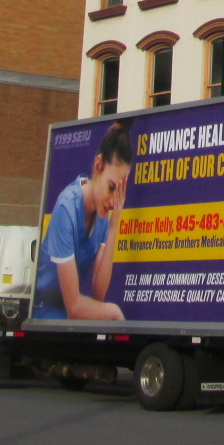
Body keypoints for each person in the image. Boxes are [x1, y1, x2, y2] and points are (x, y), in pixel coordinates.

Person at [34, 121, 130, 319]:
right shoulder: (66, 207)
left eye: (119, 191)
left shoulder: (102, 216)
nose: (113, 201)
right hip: (46, 313)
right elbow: (74, 307)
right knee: (112, 314)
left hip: (70, 318)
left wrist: (114, 226)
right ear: (97, 166)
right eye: (112, 187)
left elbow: (98, 293)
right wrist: (114, 312)